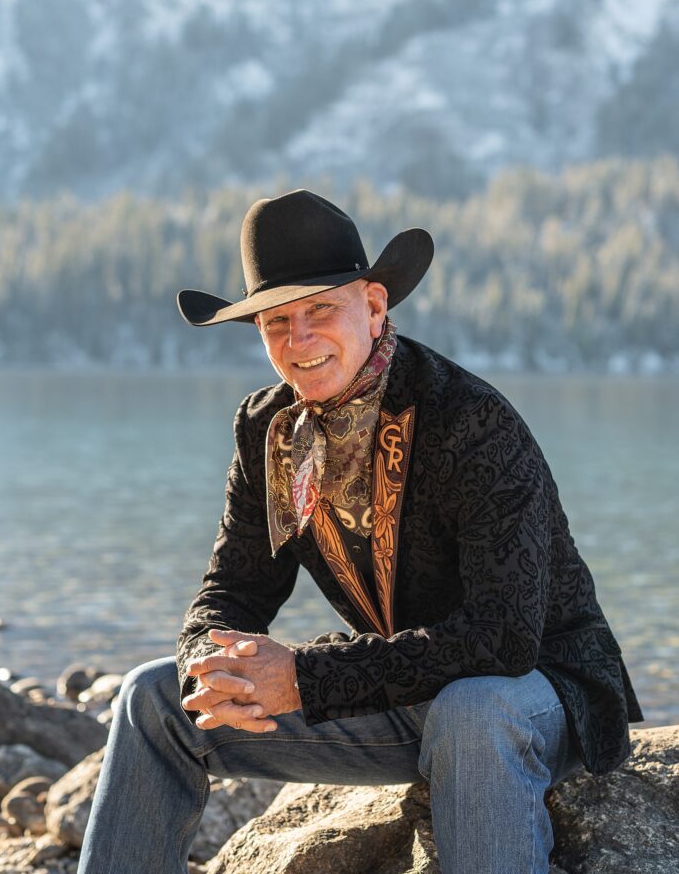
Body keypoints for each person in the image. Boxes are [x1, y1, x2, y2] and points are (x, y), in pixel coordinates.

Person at [78, 189, 643, 874]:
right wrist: (210, 657)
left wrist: (306, 678)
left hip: (536, 693)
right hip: (399, 698)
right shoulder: (267, 429)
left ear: (374, 306)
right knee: (153, 698)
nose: (299, 339)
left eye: (320, 309)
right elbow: (234, 588)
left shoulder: (467, 418)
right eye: (276, 320)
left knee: (472, 710)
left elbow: (504, 637)